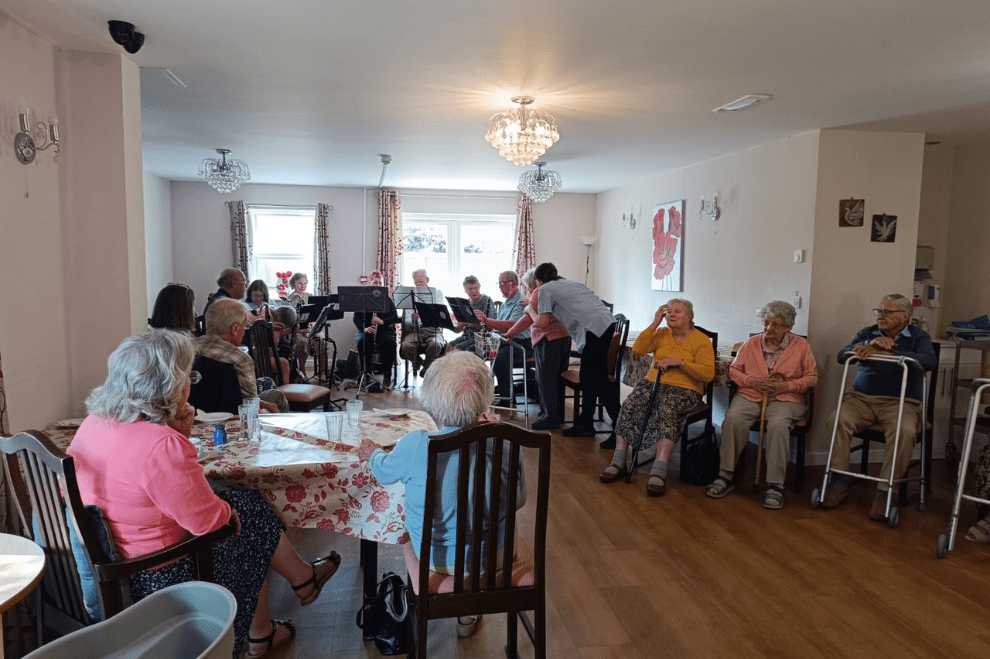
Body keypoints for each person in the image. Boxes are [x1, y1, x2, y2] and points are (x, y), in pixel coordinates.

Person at [68, 330, 340, 658]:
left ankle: (275, 616)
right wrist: (224, 506)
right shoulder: (159, 445)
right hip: (160, 577)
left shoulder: (94, 423)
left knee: (244, 509)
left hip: (112, 566)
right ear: (168, 384)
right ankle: (289, 597)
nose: (189, 384)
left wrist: (176, 436)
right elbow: (207, 522)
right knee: (250, 513)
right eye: (187, 375)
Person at [363, 350, 524, 638]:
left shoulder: (415, 444)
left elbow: (383, 472)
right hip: (497, 556)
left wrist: (371, 453)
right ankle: (467, 615)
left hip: (440, 561)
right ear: (485, 399)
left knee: (404, 534)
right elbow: (519, 499)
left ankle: (441, 601)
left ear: (430, 400)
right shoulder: (502, 443)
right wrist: (501, 434)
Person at [820, 294, 937, 521]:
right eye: (879, 311)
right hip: (861, 399)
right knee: (837, 420)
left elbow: (929, 361)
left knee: (904, 431)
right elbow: (842, 356)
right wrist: (869, 345)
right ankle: (839, 481)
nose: (880, 316)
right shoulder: (868, 333)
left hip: (900, 402)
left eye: (887, 312)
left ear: (904, 316)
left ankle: (885, 491)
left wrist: (890, 353)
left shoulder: (918, 336)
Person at [706, 301, 817, 509]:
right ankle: (726, 475)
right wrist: (752, 381)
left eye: (775, 324)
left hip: (787, 398)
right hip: (750, 394)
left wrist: (786, 386)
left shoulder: (801, 346)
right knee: (733, 419)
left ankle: (776, 485)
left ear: (788, 327)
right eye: (766, 323)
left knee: (778, 425)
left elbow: (812, 378)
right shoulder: (752, 344)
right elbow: (734, 370)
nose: (768, 329)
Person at [598, 299, 714, 496]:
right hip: (653, 383)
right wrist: (654, 323)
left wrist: (681, 362)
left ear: (689, 316)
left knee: (667, 409)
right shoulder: (661, 334)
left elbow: (708, 374)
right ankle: (618, 461)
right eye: (668, 312)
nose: (672, 315)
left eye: (677, 311)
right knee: (629, 405)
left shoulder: (701, 340)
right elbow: (638, 349)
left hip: (685, 389)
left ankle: (659, 468)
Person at [532, 262, 618, 439]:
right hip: (606, 323)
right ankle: (586, 424)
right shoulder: (572, 283)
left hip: (594, 329)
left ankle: (621, 428)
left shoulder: (545, 289)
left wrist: (529, 310)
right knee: (588, 379)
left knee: (598, 380)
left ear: (539, 280)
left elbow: (542, 322)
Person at [192, 299, 290, 413]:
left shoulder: (185, 349)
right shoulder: (240, 359)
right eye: (245, 326)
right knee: (277, 398)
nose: (245, 331)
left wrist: (261, 402)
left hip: (194, 415)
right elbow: (252, 407)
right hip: (233, 419)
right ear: (235, 329)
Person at [503, 268, 570, 430]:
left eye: (528, 286)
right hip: (564, 336)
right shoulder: (558, 288)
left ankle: (549, 417)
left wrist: (510, 333)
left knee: (545, 379)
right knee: (558, 378)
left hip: (547, 339)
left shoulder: (540, 292)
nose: (529, 290)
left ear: (534, 283)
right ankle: (555, 414)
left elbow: (527, 318)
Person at [474, 270, 532, 407]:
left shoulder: (521, 302)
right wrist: (483, 323)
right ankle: (478, 393)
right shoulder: (506, 303)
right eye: (499, 283)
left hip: (521, 344)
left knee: (500, 358)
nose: (499, 286)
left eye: (502, 283)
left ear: (513, 283)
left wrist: (487, 320)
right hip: (504, 341)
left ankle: (508, 400)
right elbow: (497, 328)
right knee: (474, 350)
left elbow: (512, 326)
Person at [353, 270, 401, 392]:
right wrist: (364, 328)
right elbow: (356, 318)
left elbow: (394, 317)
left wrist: (382, 321)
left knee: (389, 342)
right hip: (368, 329)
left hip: (384, 329)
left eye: (380, 282)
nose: (378, 284)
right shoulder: (361, 299)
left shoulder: (387, 299)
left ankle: (387, 374)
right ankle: (367, 374)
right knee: (363, 341)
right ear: (369, 283)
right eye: (375, 282)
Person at [400, 269, 445, 375]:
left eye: (421, 281)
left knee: (436, 344)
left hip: (433, 330)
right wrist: (412, 319)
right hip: (415, 331)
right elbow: (406, 321)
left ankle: (426, 368)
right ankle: (423, 364)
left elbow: (441, 316)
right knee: (405, 347)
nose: (418, 284)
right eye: (416, 282)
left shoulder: (437, 293)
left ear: (427, 280)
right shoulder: (410, 295)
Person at [446, 275, 495, 354]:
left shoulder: (487, 301)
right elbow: (459, 330)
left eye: (475, 288)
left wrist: (469, 323)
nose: (474, 291)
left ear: (479, 287)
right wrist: (459, 325)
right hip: (466, 336)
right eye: (470, 289)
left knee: (456, 350)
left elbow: (491, 327)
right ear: (465, 291)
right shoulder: (466, 303)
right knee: (448, 346)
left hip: (480, 338)